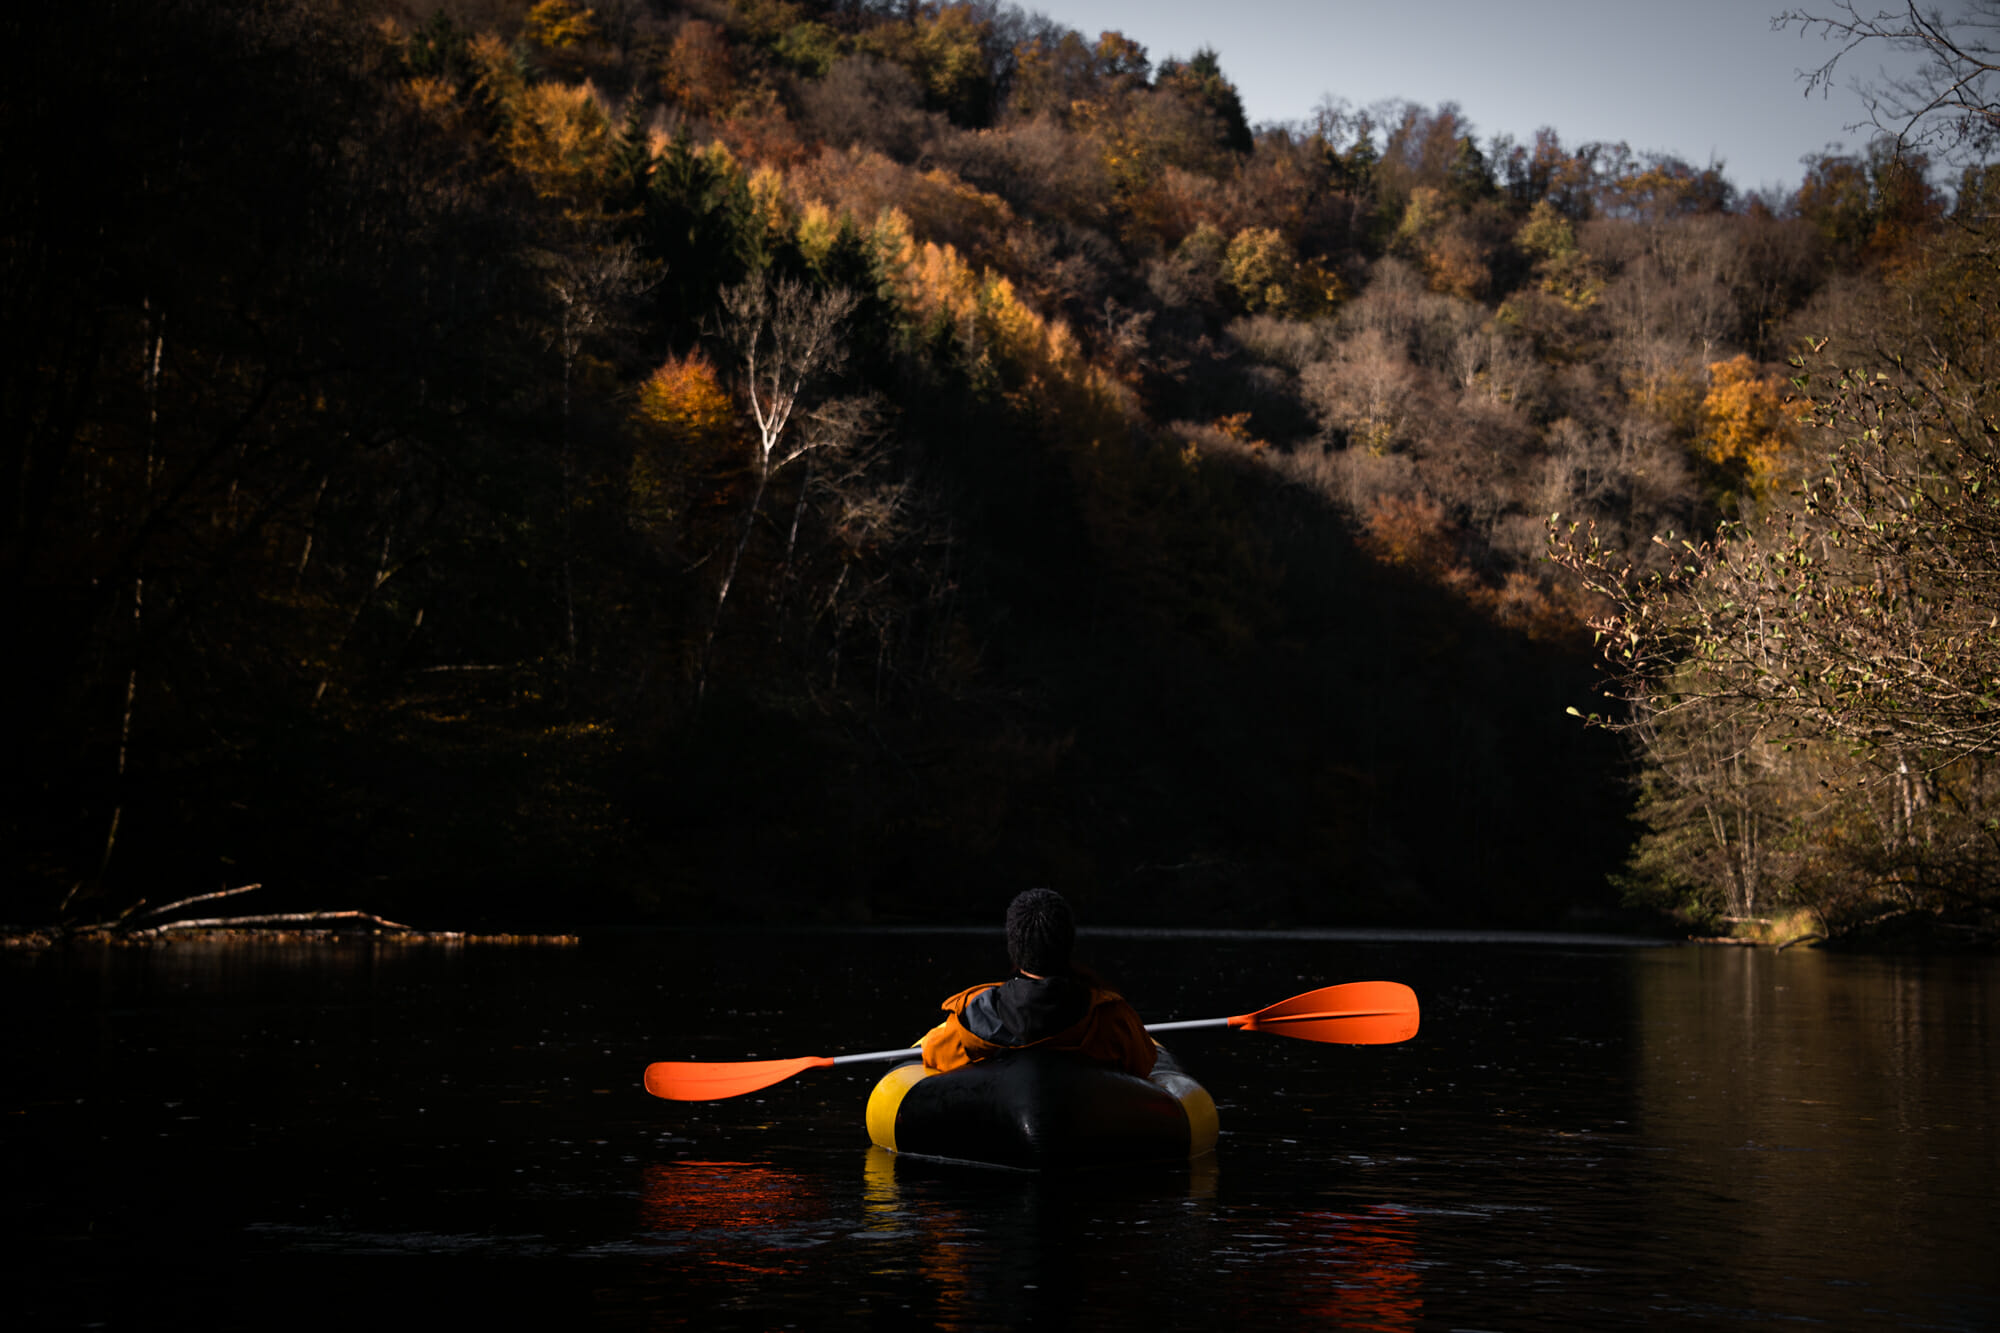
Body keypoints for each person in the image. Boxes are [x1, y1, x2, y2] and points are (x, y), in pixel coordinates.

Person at [920, 888, 1156, 1077]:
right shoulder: (1110, 1016)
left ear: (1014, 947)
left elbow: (933, 1052)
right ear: (1068, 944)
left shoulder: (972, 1014)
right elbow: (1144, 1063)